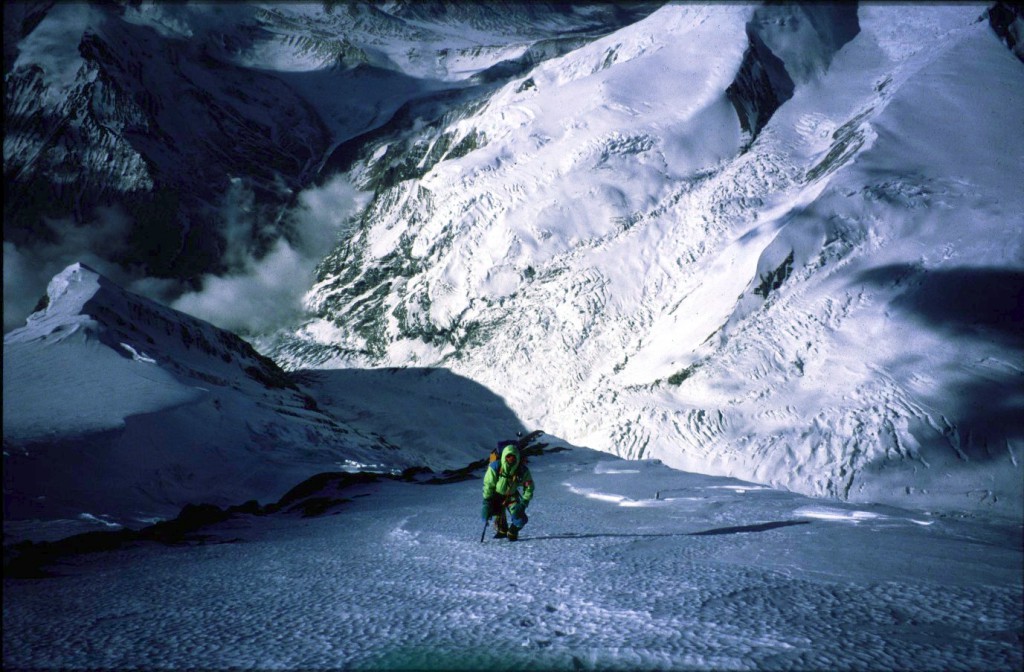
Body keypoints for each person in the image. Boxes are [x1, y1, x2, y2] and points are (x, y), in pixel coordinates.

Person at [481, 442, 534, 541]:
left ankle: (512, 532)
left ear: (517, 457)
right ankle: (501, 529)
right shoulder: (495, 467)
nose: (511, 458)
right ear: (504, 456)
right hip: (496, 496)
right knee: (490, 512)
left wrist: (524, 503)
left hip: (512, 497)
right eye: (508, 456)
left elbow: (529, 487)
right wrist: (487, 502)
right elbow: (488, 484)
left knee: (521, 519)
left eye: (513, 456)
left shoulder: (521, 470)